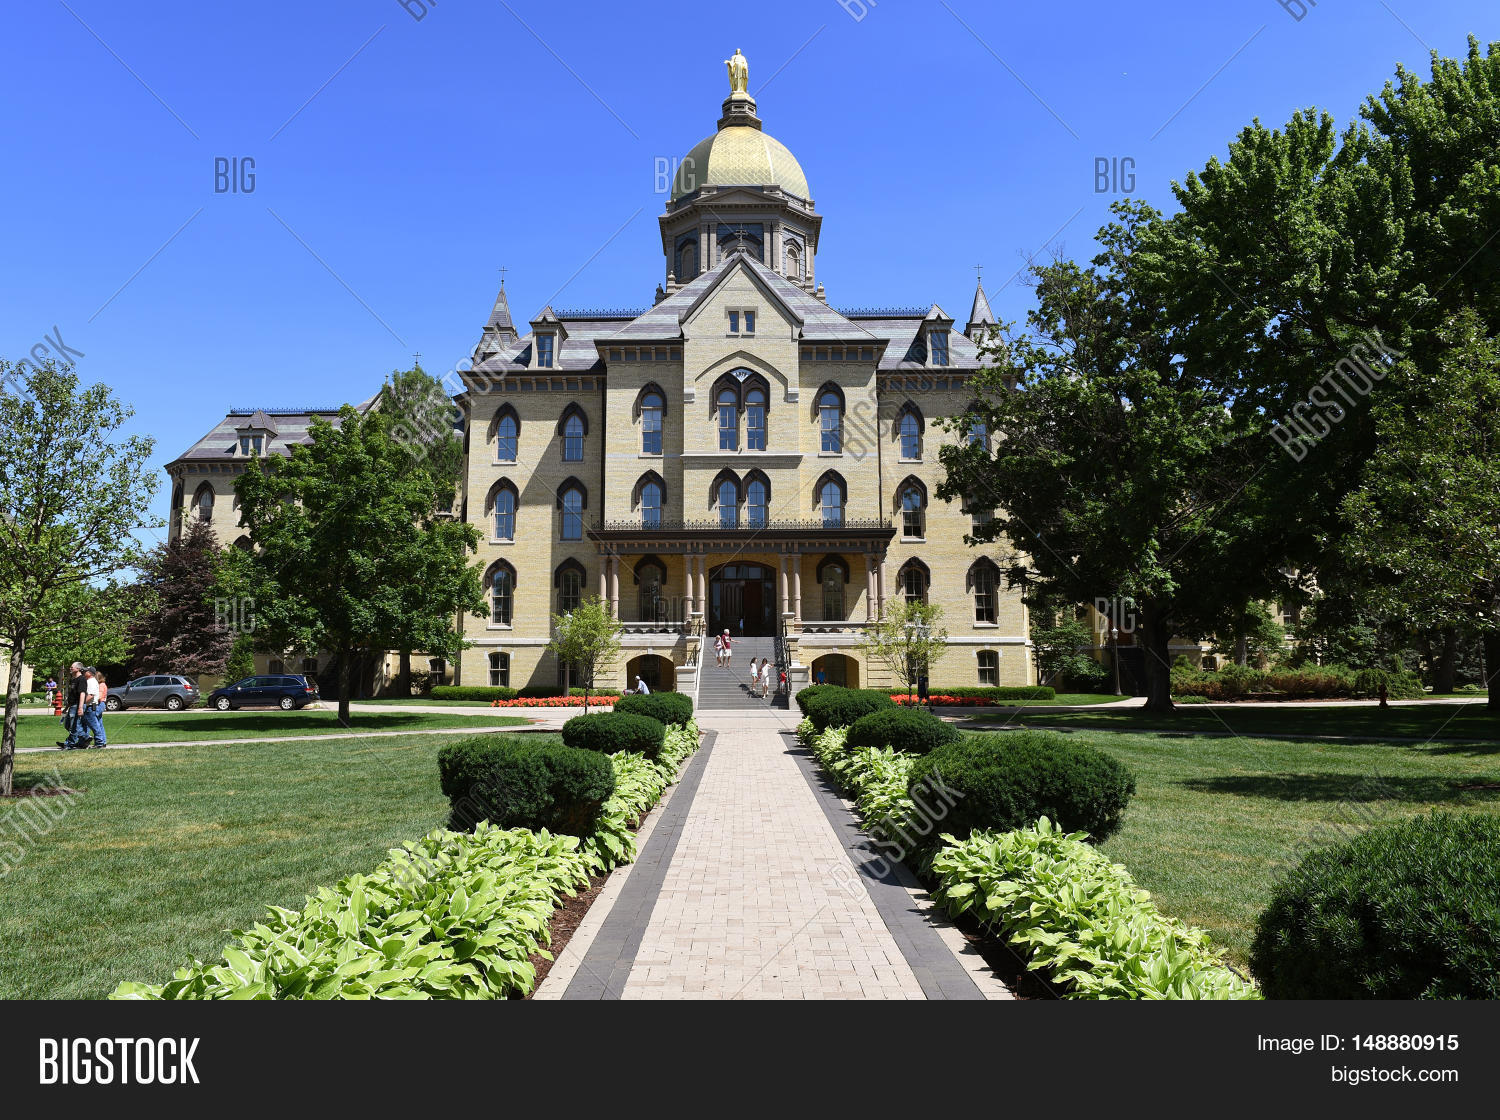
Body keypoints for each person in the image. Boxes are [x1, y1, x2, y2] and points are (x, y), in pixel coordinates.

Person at [56, 663, 88, 750]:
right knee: (68, 725)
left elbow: (82, 693)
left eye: (71, 667)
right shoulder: (73, 679)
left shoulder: (82, 679)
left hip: (78, 705)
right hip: (72, 705)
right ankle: (85, 737)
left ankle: (69, 744)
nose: (70, 668)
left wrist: (80, 707)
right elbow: (72, 695)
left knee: (74, 726)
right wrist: (66, 708)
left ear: (78, 668)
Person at [82, 668, 108, 749]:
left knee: (95, 724)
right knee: (98, 723)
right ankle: (102, 741)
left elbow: (99, 696)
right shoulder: (99, 684)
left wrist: (83, 702)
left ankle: (100, 742)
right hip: (98, 704)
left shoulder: (99, 684)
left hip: (99, 704)